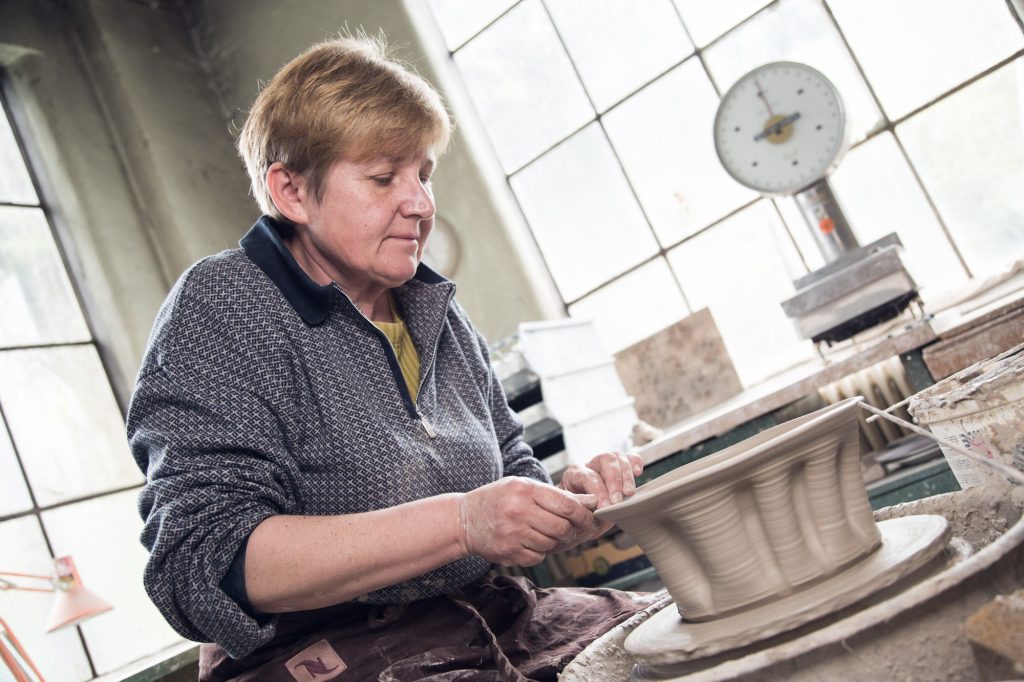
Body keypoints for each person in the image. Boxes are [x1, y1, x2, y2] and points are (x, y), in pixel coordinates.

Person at [128, 33, 661, 681]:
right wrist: (461, 524)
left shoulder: (430, 304)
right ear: (291, 191)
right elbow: (205, 563)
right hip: (323, 651)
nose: (420, 204)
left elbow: (510, 464)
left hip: (486, 614)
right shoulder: (225, 306)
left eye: (424, 174)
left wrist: (562, 507)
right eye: (384, 177)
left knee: (686, 631)